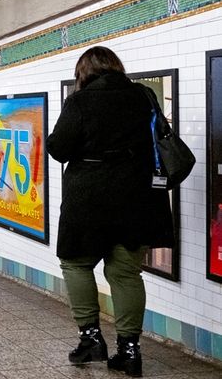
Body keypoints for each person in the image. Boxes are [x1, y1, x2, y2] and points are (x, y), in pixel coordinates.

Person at [47, 46, 174, 377]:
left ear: (84, 73)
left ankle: (91, 339)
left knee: (75, 263)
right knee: (126, 272)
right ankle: (130, 351)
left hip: (89, 199)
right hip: (138, 197)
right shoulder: (144, 96)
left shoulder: (80, 101)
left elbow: (58, 149)